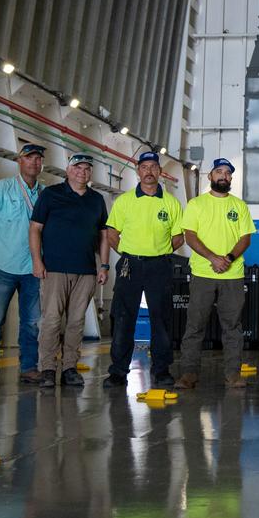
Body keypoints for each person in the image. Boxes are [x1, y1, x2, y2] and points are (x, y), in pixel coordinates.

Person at [103, 151, 184, 388]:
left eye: (153, 167)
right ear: (138, 171)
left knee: (161, 318)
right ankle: (118, 371)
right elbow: (111, 234)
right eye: (144, 167)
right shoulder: (125, 200)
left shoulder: (170, 202)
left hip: (159, 265)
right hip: (130, 264)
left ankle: (161, 370)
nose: (149, 171)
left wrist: (160, 251)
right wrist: (128, 253)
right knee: (123, 317)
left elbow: (179, 236)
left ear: (160, 171)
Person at [29, 153, 109, 388]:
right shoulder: (51, 195)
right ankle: (47, 368)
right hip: (55, 269)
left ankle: (69, 368)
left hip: (86, 270)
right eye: (77, 167)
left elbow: (104, 234)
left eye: (86, 168)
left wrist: (103, 266)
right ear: (68, 169)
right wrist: (37, 261)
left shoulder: (97, 199)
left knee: (76, 322)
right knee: (52, 320)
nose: (81, 172)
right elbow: (35, 229)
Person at [177, 158, 255, 389]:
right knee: (195, 325)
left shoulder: (239, 206)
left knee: (232, 327)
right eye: (218, 171)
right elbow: (190, 236)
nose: (223, 176)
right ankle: (189, 374)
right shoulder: (196, 204)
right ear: (210, 176)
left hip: (232, 275)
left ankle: (233, 375)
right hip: (203, 274)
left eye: (227, 173)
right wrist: (213, 258)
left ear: (231, 178)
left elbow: (245, 238)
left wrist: (228, 259)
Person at [0, 143, 46, 387]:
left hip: (33, 268)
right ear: (19, 161)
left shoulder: (46, 194)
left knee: (32, 322)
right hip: (2, 266)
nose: (34, 163)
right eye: (30, 158)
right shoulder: (0, 189)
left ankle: (28, 368)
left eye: (38, 159)